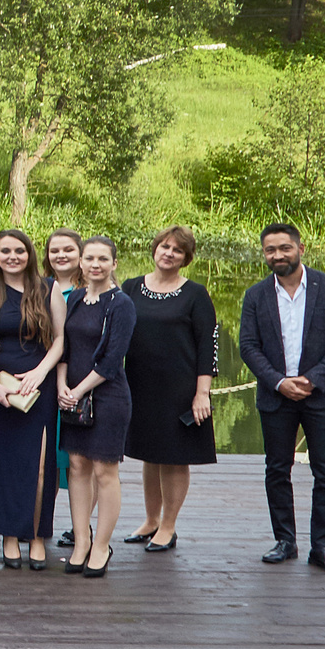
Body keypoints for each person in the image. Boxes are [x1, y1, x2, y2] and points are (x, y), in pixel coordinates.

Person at [238, 221, 325, 577]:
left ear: (300, 249)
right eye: (270, 250)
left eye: (284, 248)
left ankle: (323, 547)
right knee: (277, 469)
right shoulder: (255, 295)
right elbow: (248, 346)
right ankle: (284, 541)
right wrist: (278, 382)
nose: (277, 255)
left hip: (322, 395)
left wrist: (312, 379)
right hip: (276, 396)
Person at [121, 226, 218, 553]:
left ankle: (168, 526)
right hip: (140, 385)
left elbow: (208, 346)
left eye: (177, 250)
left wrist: (201, 392)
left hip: (180, 388)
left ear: (186, 258)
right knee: (150, 455)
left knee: (175, 458)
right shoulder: (132, 287)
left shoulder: (195, 294)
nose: (168, 253)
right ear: (155, 249)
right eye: (164, 246)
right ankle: (150, 521)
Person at [0, 229, 65, 569]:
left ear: (30, 254)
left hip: (39, 389)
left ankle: (38, 536)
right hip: (0, 388)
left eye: (19, 251)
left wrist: (41, 372)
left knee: (40, 467)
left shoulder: (48, 288)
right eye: (5, 251)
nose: (12, 256)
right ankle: (10, 537)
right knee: (2, 466)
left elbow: (59, 340)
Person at [57, 236, 135, 578]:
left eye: (103, 259)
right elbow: (65, 348)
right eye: (90, 258)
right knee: (76, 466)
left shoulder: (120, 304)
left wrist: (77, 390)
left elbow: (111, 361)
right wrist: (62, 385)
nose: (95, 265)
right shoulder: (75, 297)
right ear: (81, 262)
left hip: (107, 396)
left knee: (105, 470)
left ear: (114, 264)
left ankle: (102, 545)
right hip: (72, 393)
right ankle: (81, 541)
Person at [44, 228, 83, 551]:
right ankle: (45, 521)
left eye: (68, 249)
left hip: (86, 384)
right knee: (53, 459)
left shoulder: (94, 290)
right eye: (55, 250)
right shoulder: (41, 289)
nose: (61, 255)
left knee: (82, 461)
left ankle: (79, 526)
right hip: (48, 384)